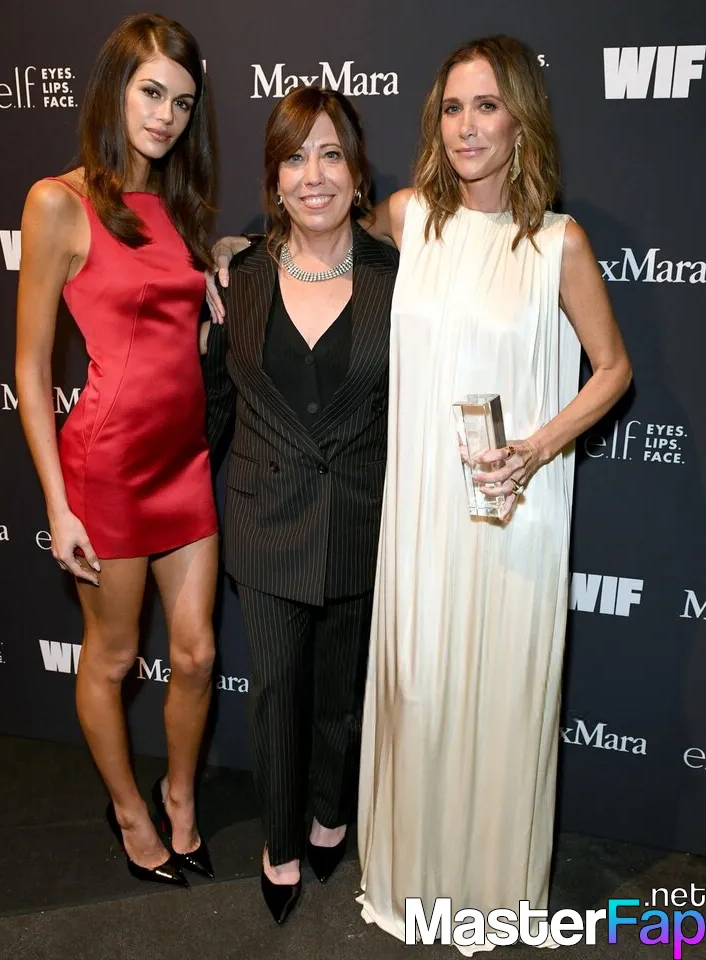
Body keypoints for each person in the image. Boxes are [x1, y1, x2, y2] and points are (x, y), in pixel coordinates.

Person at [353, 36, 631, 950]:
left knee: (501, 702)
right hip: (423, 511)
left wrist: (537, 448)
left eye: (486, 106)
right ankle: (414, 879)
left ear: (521, 121)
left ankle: (490, 893)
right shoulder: (408, 218)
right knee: (421, 692)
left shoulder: (558, 243)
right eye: (451, 108)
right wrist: (234, 252)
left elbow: (613, 369)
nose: (466, 127)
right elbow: (315, 234)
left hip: (514, 510)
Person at [15, 13, 219, 887]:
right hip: (110, 469)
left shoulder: (181, 205)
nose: (166, 116)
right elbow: (29, 367)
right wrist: (58, 506)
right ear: (114, 90)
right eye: (151, 93)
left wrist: (219, 262)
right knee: (112, 655)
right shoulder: (58, 202)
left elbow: (175, 299)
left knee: (197, 653)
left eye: (182, 102)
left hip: (185, 461)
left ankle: (180, 797)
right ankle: (131, 811)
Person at [202, 86, 398, 924]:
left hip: (359, 515)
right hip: (266, 516)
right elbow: (213, 407)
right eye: (293, 158)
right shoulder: (236, 276)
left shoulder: (398, 276)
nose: (312, 175)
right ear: (273, 180)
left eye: (330, 155)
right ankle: (279, 842)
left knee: (340, 691)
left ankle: (329, 814)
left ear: (358, 174)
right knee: (277, 689)